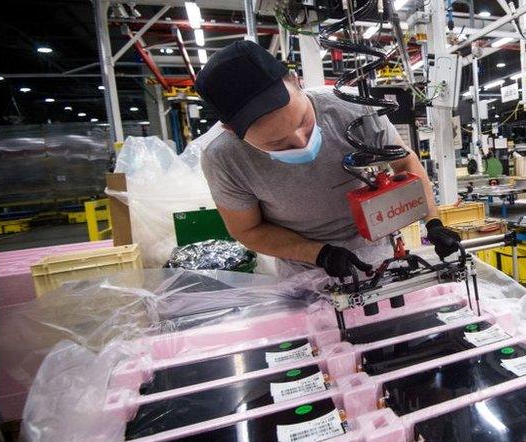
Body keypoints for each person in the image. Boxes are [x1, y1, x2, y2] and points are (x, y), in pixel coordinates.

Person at [194, 41, 460, 279]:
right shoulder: (223, 157)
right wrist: (319, 254)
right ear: (231, 129)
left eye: (303, 121)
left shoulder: (351, 107)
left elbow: (405, 162)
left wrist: (433, 223)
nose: (300, 141)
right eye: (278, 142)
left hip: (381, 250)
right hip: (305, 269)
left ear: (296, 81)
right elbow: (248, 230)